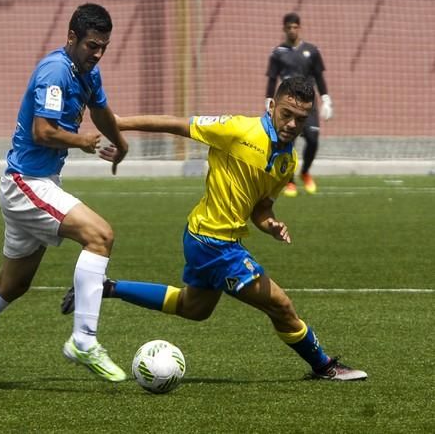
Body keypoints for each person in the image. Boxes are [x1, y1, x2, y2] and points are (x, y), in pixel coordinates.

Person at [61, 77, 367, 382]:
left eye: (300, 119)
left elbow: (261, 208)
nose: (291, 123)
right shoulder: (237, 129)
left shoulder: (288, 160)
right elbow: (177, 124)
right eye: (286, 113)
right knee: (281, 305)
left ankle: (105, 288)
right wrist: (118, 123)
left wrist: (270, 224)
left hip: (209, 239)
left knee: (193, 308)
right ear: (272, 106)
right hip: (213, 242)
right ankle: (324, 365)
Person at [0, 3, 130, 388]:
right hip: (27, 183)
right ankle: (84, 340)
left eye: (103, 46)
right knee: (100, 235)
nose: (98, 53)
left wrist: (119, 144)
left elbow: (101, 111)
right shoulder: (54, 71)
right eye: (92, 45)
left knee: (12, 285)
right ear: (71, 38)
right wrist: (82, 142)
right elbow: (43, 131)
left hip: (37, 184)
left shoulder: (87, 71)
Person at [265, 12, 333, 197]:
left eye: (295, 27)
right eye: (289, 27)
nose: (292, 30)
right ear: (284, 29)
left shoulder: (311, 51)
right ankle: (289, 180)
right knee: (287, 142)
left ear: (299, 28)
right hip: (287, 103)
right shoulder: (278, 53)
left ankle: (305, 172)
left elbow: (319, 77)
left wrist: (326, 98)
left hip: (308, 104)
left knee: (312, 139)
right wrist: (269, 100)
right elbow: (272, 79)